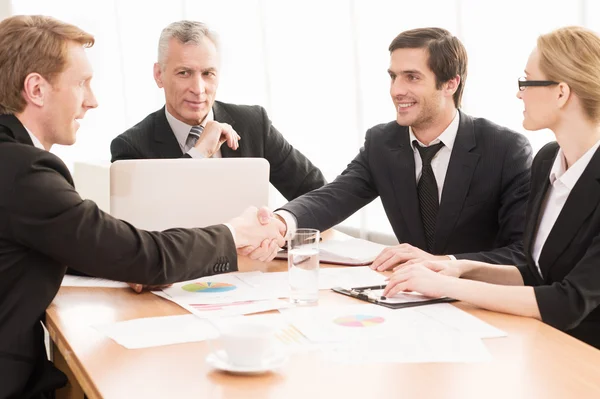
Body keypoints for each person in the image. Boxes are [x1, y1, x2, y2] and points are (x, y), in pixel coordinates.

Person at [0, 15, 284, 398]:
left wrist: (121, 258)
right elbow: (138, 253)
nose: (92, 100)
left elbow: (79, 241)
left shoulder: (14, 163)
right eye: (82, 83)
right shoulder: (24, 171)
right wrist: (235, 235)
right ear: (36, 89)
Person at [384, 26, 600, 350]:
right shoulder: (547, 161)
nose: (519, 93)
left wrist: (447, 285)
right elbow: (533, 271)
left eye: (526, 82)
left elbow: (568, 300)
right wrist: (455, 267)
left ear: (561, 92)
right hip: (541, 345)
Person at [275, 28, 531, 267]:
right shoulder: (382, 142)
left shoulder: (505, 150)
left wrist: (445, 263)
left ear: (450, 84)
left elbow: (521, 253)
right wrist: (279, 223)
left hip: (480, 298)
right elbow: (333, 198)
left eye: (412, 77)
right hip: (411, 295)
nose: (396, 90)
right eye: (393, 77)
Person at [110, 20, 326, 201]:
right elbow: (148, 223)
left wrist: (280, 223)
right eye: (184, 73)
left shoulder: (254, 123)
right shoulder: (131, 148)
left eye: (208, 73)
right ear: (159, 75)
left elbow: (319, 193)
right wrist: (199, 152)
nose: (198, 89)